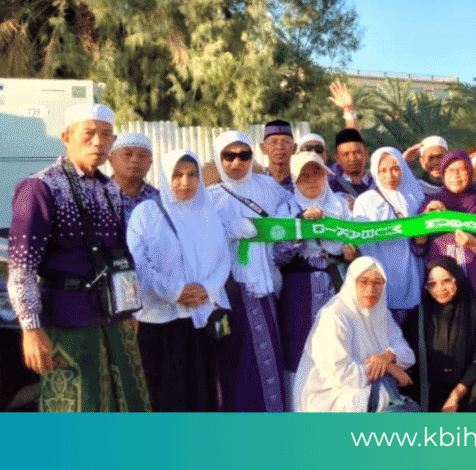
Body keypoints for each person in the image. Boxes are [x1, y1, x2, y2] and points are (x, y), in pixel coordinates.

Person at [7, 103, 151, 411]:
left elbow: (119, 254)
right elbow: (21, 269)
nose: (98, 142)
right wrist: (31, 329)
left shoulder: (110, 189)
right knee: (78, 409)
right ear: (66, 137)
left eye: (106, 135)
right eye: (88, 133)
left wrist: (129, 309)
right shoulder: (39, 188)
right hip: (67, 322)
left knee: (126, 406)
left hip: (115, 319)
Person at [127, 149, 231, 412]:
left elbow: (223, 259)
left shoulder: (208, 212)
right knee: (165, 396)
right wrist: (175, 292)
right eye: (177, 175)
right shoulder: (146, 213)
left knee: (201, 393)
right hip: (159, 321)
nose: (185, 182)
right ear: (165, 176)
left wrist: (206, 290)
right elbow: (138, 263)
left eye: (192, 174)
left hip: (199, 318)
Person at [207, 131, 291, 412]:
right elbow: (199, 239)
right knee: (237, 362)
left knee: (268, 358)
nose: (236, 162)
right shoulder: (211, 197)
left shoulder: (268, 186)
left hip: (267, 286)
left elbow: (293, 208)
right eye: (228, 156)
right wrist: (230, 229)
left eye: (244, 155)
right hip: (233, 289)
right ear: (218, 159)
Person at [273, 152, 356, 395]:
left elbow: (358, 240)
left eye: (316, 173)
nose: (311, 180)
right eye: (304, 176)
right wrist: (300, 225)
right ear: (295, 180)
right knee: (299, 350)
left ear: (326, 175)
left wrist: (352, 252)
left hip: (338, 285)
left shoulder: (342, 205)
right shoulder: (286, 208)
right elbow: (277, 256)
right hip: (299, 290)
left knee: (340, 345)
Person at [293, 257, 415, 412]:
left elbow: (408, 355)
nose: (371, 289)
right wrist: (388, 367)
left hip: (364, 384)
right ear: (351, 282)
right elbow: (340, 373)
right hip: (329, 394)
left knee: (389, 392)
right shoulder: (335, 315)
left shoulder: (381, 313)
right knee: (384, 393)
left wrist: (388, 357)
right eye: (363, 282)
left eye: (377, 282)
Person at [414, 150, 476, 332]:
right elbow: (418, 246)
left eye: (462, 170)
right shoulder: (430, 203)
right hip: (442, 286)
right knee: (447, 335)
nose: (456, 175)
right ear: (443, 174)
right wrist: (426, 221)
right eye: (450, 170)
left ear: (470, 172)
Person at [401, 257, 476, 412]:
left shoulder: (474, 310)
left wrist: (455, 396)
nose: (440, 288)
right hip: (430, 393)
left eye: (446, 280)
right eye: (432, 283)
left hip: (466, 388)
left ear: (458, 279)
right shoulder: (417, 317)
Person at [352, 147, 426, 328]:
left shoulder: (414, 197)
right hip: (382, 273)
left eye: (395, 169)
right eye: (383, 170)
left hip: (413, 272)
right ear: (375, 172)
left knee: (413, 331)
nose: (389, 175)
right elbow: (362, 241)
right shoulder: (366, 201)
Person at [107, 131, 158, 216]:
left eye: (142, 155)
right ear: (111, 160)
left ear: (150, 163)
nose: (135, 160)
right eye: (127, 154)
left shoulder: (160, 200)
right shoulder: (94, 197)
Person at [331, 128, 373, 199]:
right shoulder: (331, 189)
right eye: (346, 154)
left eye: (357, 152)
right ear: (337, 158)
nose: (352, 158)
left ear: (366, 153)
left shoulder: (379, 184)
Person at [261, 120, 297, 192]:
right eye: (273, 142)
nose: (280, 147)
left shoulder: (302, 184)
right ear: (263, 148)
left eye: (286, 142)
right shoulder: (256, 182)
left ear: (294, 148)